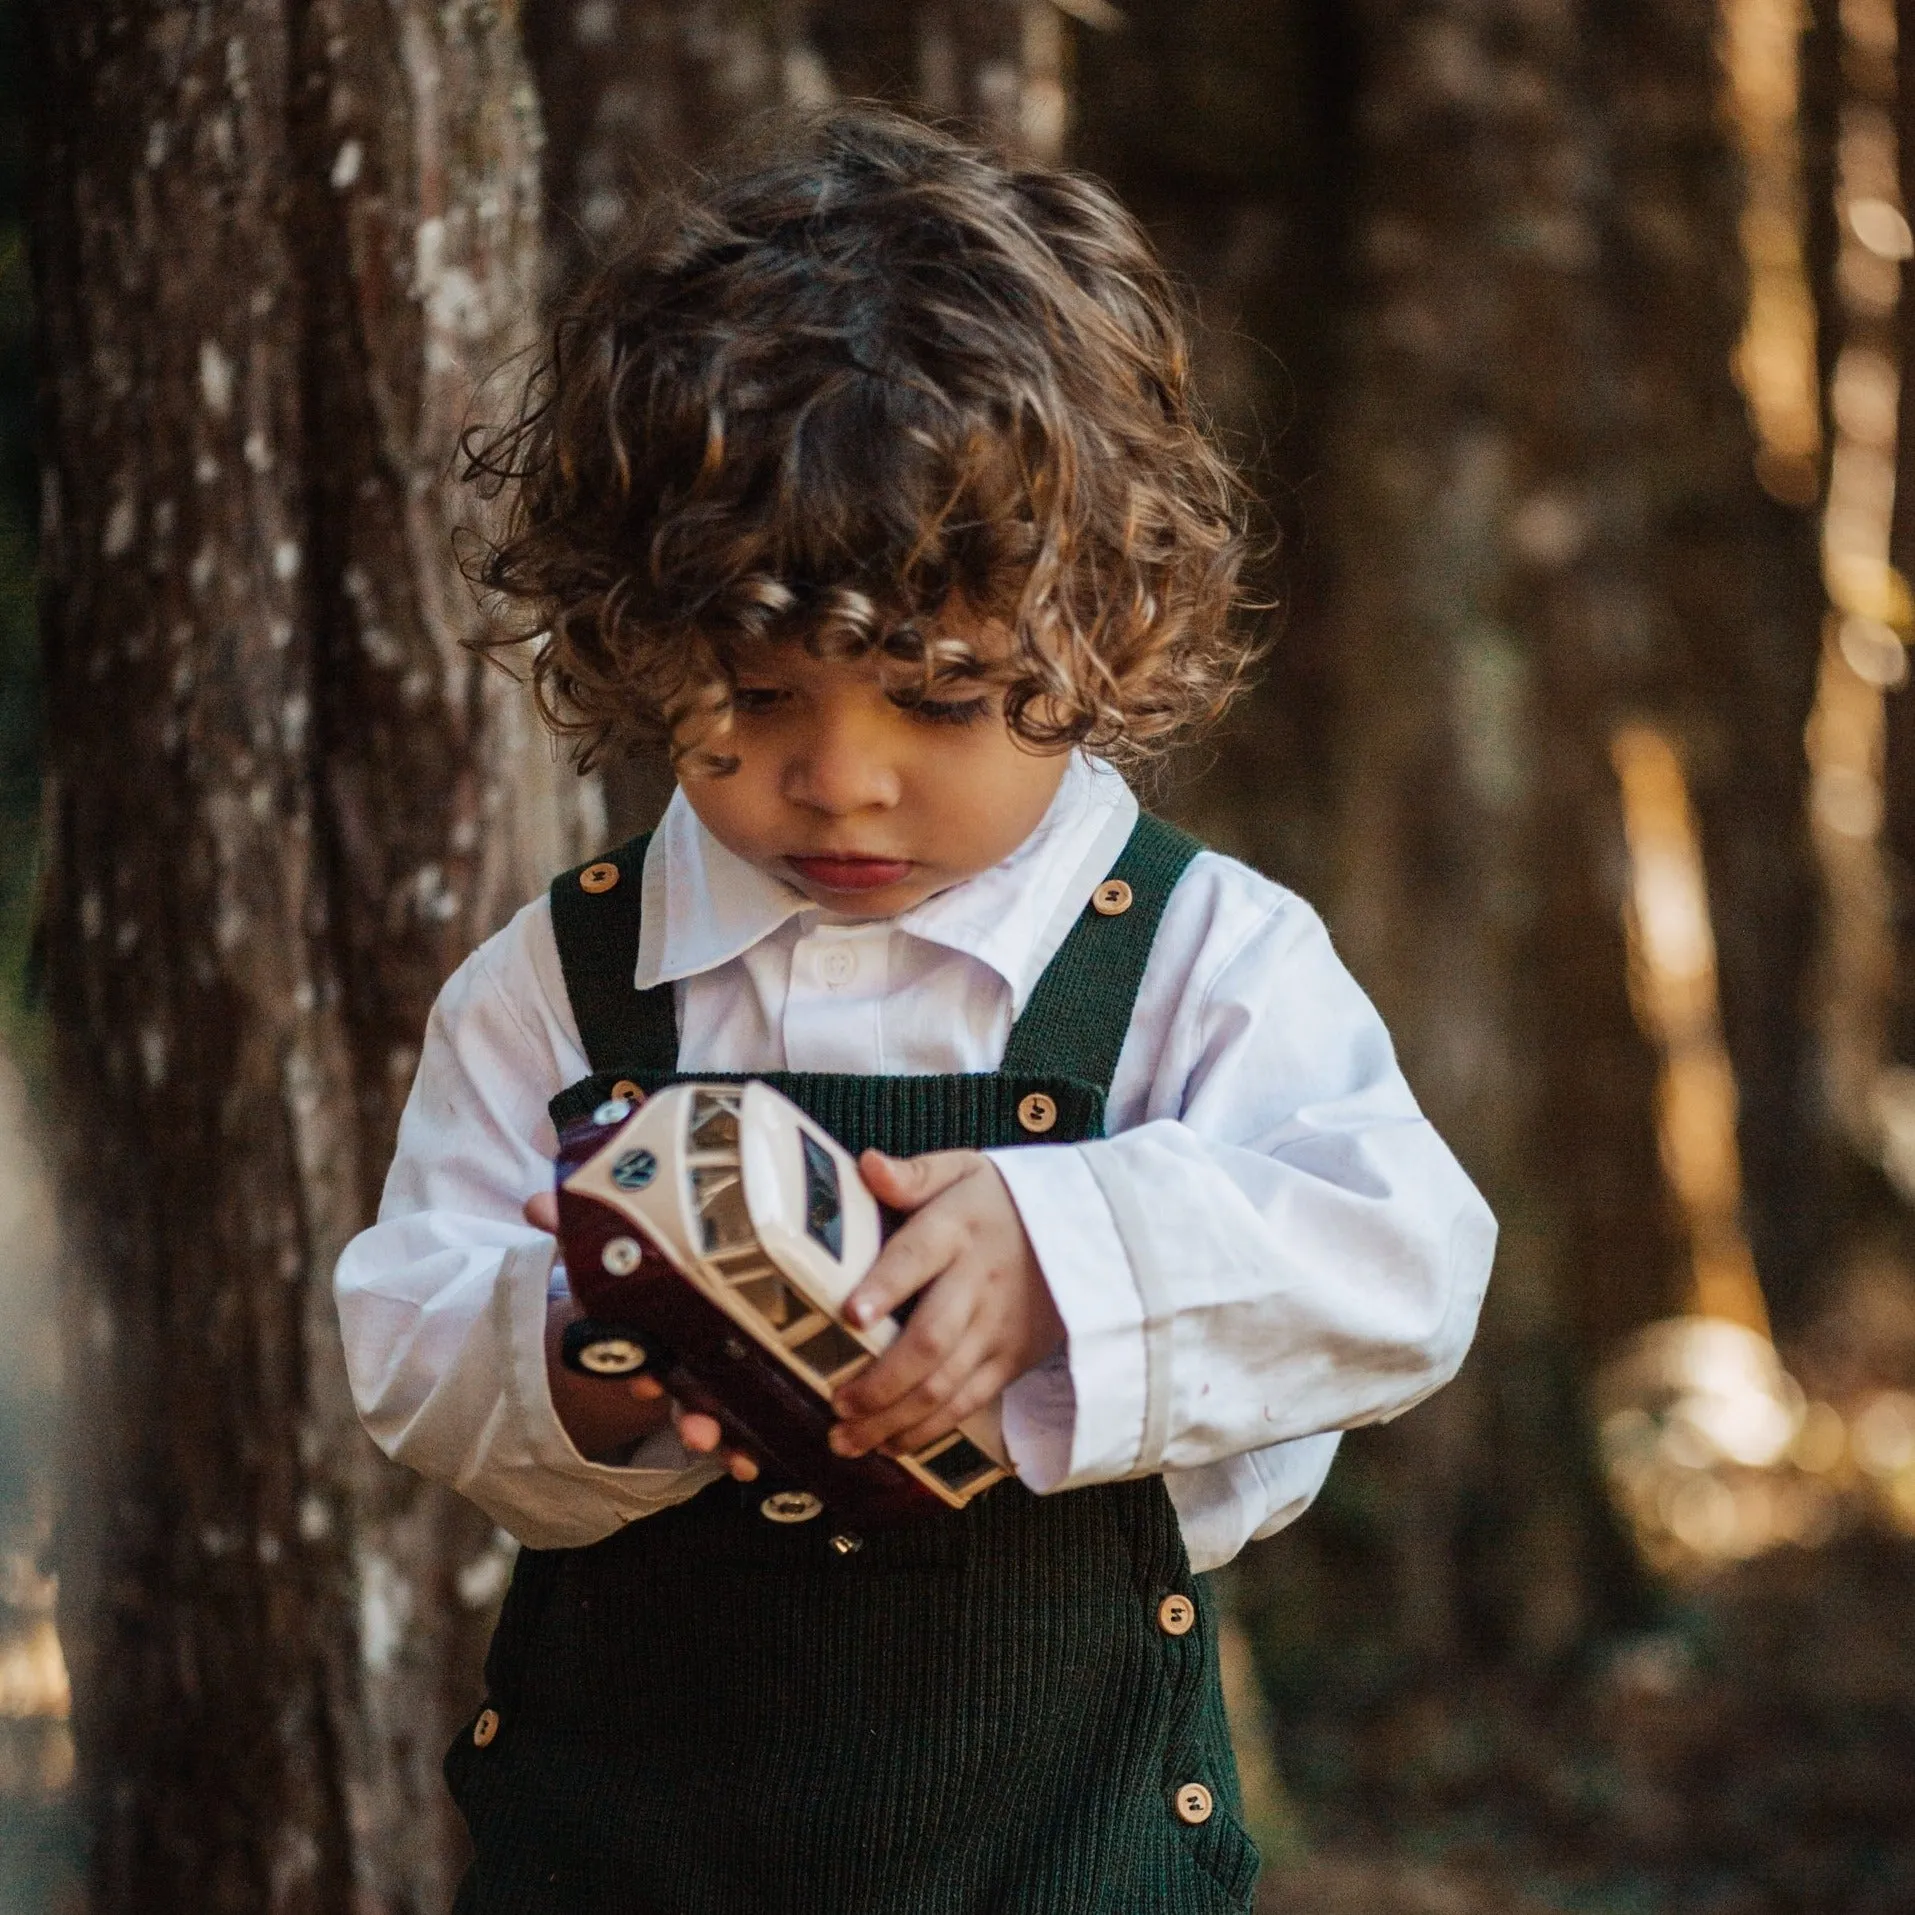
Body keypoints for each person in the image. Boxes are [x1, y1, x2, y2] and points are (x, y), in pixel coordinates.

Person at [334, 106, 1496, 1915]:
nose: (840, 783)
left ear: (1095, 632)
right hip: (636, 1862)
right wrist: (585, 1346)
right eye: (759, 694)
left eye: (939, 698)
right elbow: (409, 1327)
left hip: (1062, 1856)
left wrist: (1061, 1254)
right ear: (643, 641)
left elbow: (1406, 1259)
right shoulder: (562, 983)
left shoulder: (1198, 956)